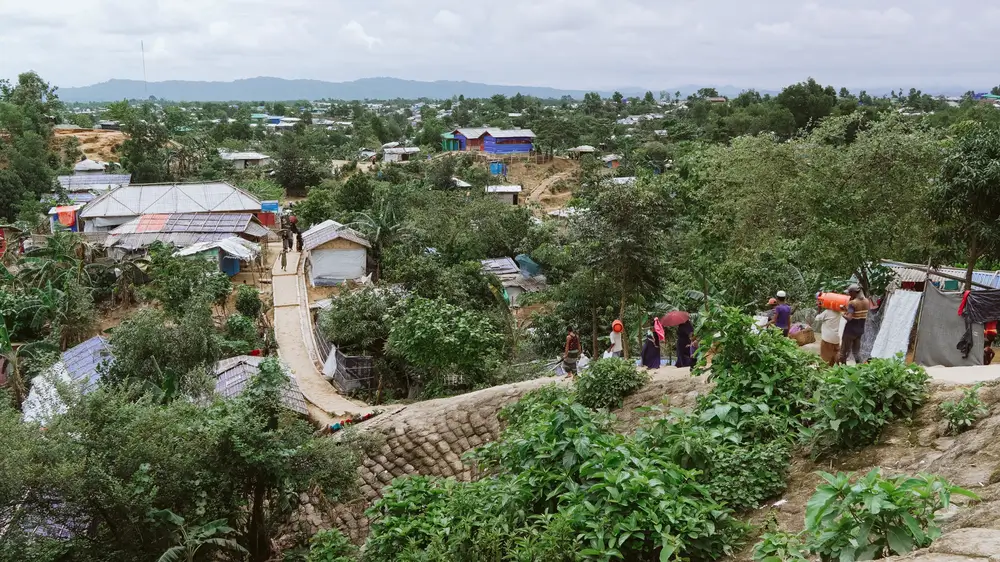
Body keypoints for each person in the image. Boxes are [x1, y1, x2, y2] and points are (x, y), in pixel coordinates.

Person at [838, 284, 870, 364]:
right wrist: (846, 310)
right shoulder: (866, 301)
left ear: (854, 292)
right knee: (856, 352)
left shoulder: (852, 303)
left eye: (850, 292)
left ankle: (841, 369)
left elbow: (849, 318)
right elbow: (857, 313)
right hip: (859, 330)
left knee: (843, 352)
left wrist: (842, 313)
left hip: (850, 331)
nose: (849, 294)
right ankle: (860, 368)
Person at [815, 301, 842, 366]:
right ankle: (835, 369)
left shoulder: (827, 312)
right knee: (835, 355)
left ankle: (825, 370)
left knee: (825, 357)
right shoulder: (840, 312)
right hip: (837, 339)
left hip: (827, 339)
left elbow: (817, 318)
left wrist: (819, 308)